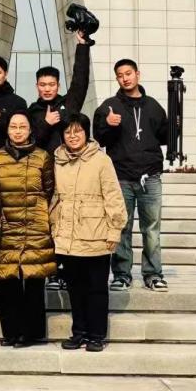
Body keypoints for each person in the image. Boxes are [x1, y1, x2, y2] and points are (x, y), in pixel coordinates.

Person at [50, 114, 127, 352]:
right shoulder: (58, 160)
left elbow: (113, 196)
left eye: (78, 131)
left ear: (87, 133)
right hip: (67, 236)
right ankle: (79, 332)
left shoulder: (101, 160)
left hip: (96, 234)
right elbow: (55, 198)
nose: (73, 136)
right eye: (68, 132)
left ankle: (96, 335)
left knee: (96, 289)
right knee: (75, 288)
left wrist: (114, 230)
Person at [93, 59, 170, 292]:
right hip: (121, 176)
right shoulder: (109, 106)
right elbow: (99, 138)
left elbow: (165, 137)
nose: (125, 78)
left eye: (128, 73)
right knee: (121, 227)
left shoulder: (153, 106)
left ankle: (153, 274)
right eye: (120, 75)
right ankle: (121, 274)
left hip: (150, 176)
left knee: (152, 229)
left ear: (137, 74)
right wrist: (108, 124)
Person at [27, 30, 93, 291]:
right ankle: (52, 270)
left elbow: (80, 81)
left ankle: (67, 271)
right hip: (43, 177)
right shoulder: (31, 111)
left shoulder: (68, 104)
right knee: (48, 225)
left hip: (70, 175)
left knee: (69, 223)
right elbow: (30, 141)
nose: (47, 89)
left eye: (51, 85)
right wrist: (45, 123)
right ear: (37, 86)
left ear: (57, 86)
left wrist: (83, 46)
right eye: (42, 85)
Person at [0, 110, 55, 347]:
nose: (17, 131)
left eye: (22, 127)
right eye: (13, 127)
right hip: (6, 226)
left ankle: (32, 333)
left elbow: (49, 190)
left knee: (34, 281)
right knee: (8, 281)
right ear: (7, 130)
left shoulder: (42, 157)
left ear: (30, 130)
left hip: (35, 226)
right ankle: (11, 332)